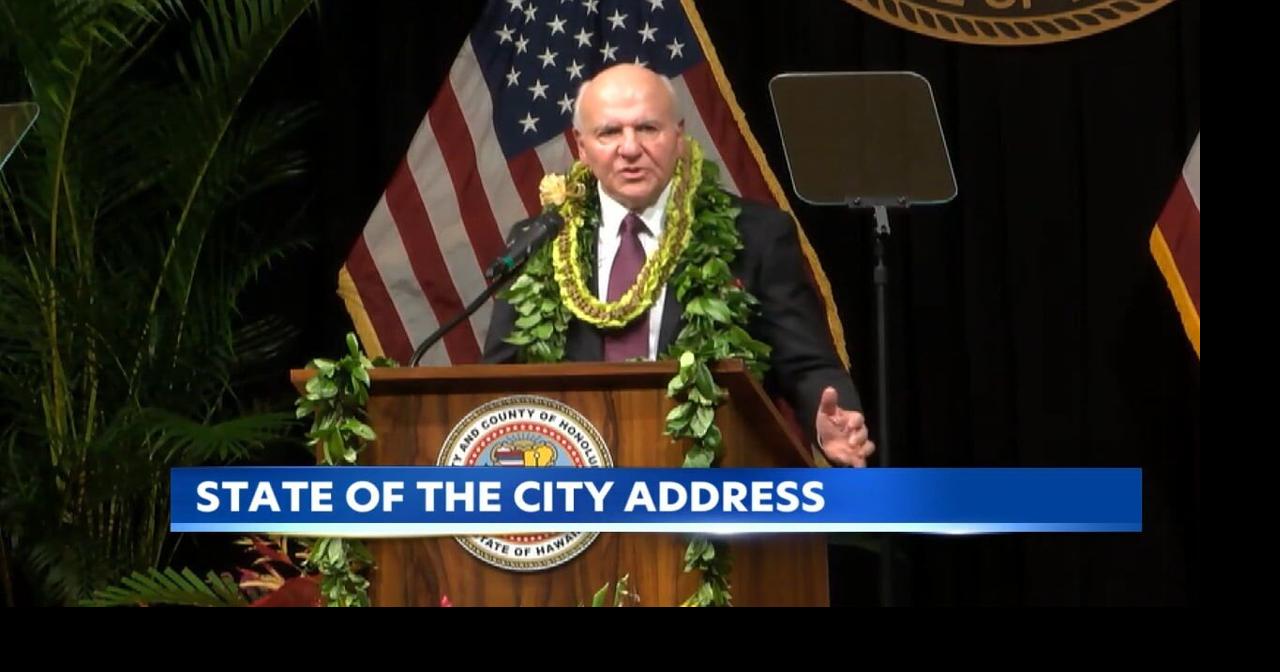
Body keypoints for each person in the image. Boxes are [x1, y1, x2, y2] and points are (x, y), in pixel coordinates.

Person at [484, 64, 874, 467]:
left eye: (648, 128)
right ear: (581, 146)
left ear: (679, 135)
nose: (630, 148)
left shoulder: (755, 236)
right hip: (575, 495)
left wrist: (832, 419)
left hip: (714, 492)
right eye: (610, 132)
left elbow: (806, 364)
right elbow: (495, 381)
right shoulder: (539, 242)